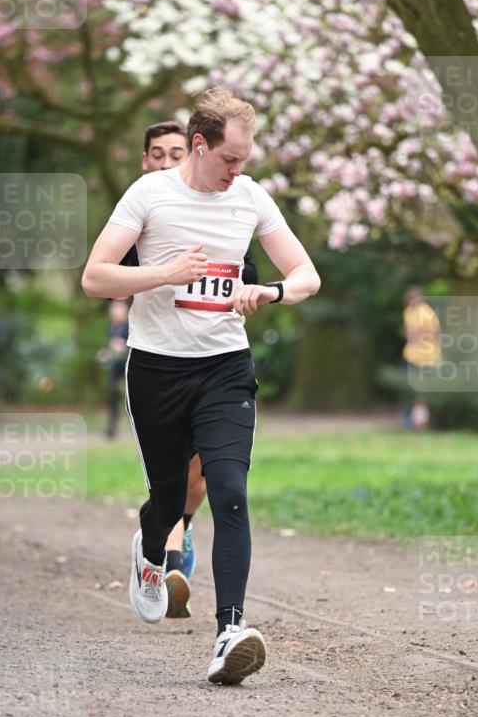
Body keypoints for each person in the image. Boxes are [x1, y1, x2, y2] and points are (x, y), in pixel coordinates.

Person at [82, 87, 320, 684]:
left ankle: (229, 633)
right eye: (230, 160)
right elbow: (94, 277)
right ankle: (150, 547)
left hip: (224, 367)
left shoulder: (249, 197)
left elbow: (306, 274)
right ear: (198, 145)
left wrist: (270, 292)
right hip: (158, 368)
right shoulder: (149, 194)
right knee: (167, 500)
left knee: (230, 490)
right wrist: (165, 273)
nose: (238, 172)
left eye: (245, 160)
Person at [134, 121, 260, 588]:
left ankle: (178, 537)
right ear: (145, 161)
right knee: (170, 483)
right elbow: (107, 279)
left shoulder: (233, 204)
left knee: (207, 479)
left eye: (175, 152)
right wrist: (165, 273)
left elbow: (243, 273)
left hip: (219, 359)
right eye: (158, 154)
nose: (167, 161)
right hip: (157, 358)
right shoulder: (144, 204)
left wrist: (254, 291)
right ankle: (163, 547)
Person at [401, 285, 441, 429]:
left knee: (422, 394)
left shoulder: (426, 312)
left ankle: (422, 423)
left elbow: (433, 332)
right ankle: (410, 422)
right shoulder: (408, 312)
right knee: (410, 391)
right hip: (410, 356)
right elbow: (408, 332)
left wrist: (417, 335)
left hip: (426, 358)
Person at [97, 298, 130, 439]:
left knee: (131, 398)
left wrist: (124, 347)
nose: (117, 313)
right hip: (116, 366)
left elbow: (133, 348)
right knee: (112, 395)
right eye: (114, 310)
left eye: (120, 310)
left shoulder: (130, 327)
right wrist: (105, 353)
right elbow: (112, 347)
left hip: (129, 365)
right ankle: (112, 428)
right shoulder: (111, 327)